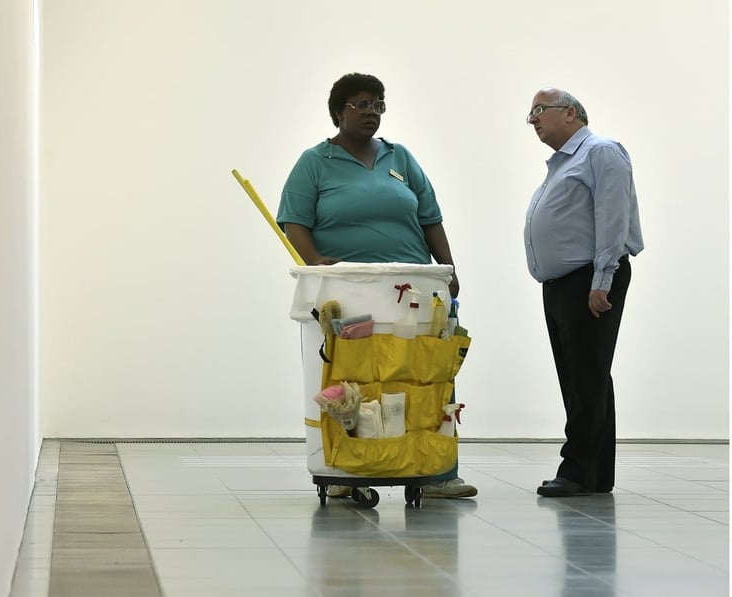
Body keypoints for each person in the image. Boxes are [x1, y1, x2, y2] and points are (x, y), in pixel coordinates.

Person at [276, 72, 475, 499]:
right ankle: (349, 474)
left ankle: (438, 472)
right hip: (351, 291)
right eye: (361, 104)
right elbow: (294, 220)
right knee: (356, 379)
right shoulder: (315, 162)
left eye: (378, 105)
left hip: (413, 288)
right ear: (337, 111)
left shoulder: (400, 157)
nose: (371, 113)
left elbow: (430, 217)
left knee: (424, 376)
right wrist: (315, 262)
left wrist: (447, 266)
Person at [524, 88, 644, 498]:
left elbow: (613, 218)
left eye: (539, 110)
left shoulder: (601, 152)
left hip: (588, 281)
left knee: (585, 378)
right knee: (582, 377)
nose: (532, 120)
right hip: (563, 284)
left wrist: (601, 279)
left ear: (570, 113)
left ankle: (576, 470)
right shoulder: (562, 164)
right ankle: (596, 474)